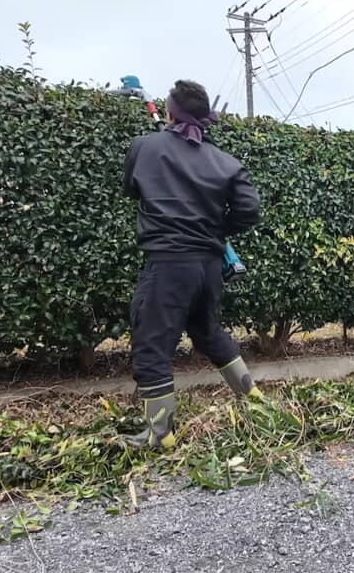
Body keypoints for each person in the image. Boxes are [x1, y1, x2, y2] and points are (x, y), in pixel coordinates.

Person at [122, 79, 261, 449]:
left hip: (169, 264)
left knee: (152, 343)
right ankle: (254, 399)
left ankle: (160, 434)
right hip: (210, 265)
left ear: (170, 113)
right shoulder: (226, 162)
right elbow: (249, 210)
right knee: (207, 331)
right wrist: (215, 229)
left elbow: (132, 189)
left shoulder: (144, 147)